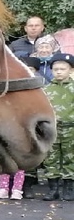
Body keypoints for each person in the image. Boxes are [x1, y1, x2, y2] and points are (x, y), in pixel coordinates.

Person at [40, 53, 74, 201]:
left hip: (71, 129)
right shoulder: (46, 90)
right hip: (52, 130)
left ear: (71, 70)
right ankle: (53, 189)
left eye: (63, 69)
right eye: (55, 69)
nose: (59, 72)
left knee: (70, 158)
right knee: (51, 159)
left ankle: (69, 188)